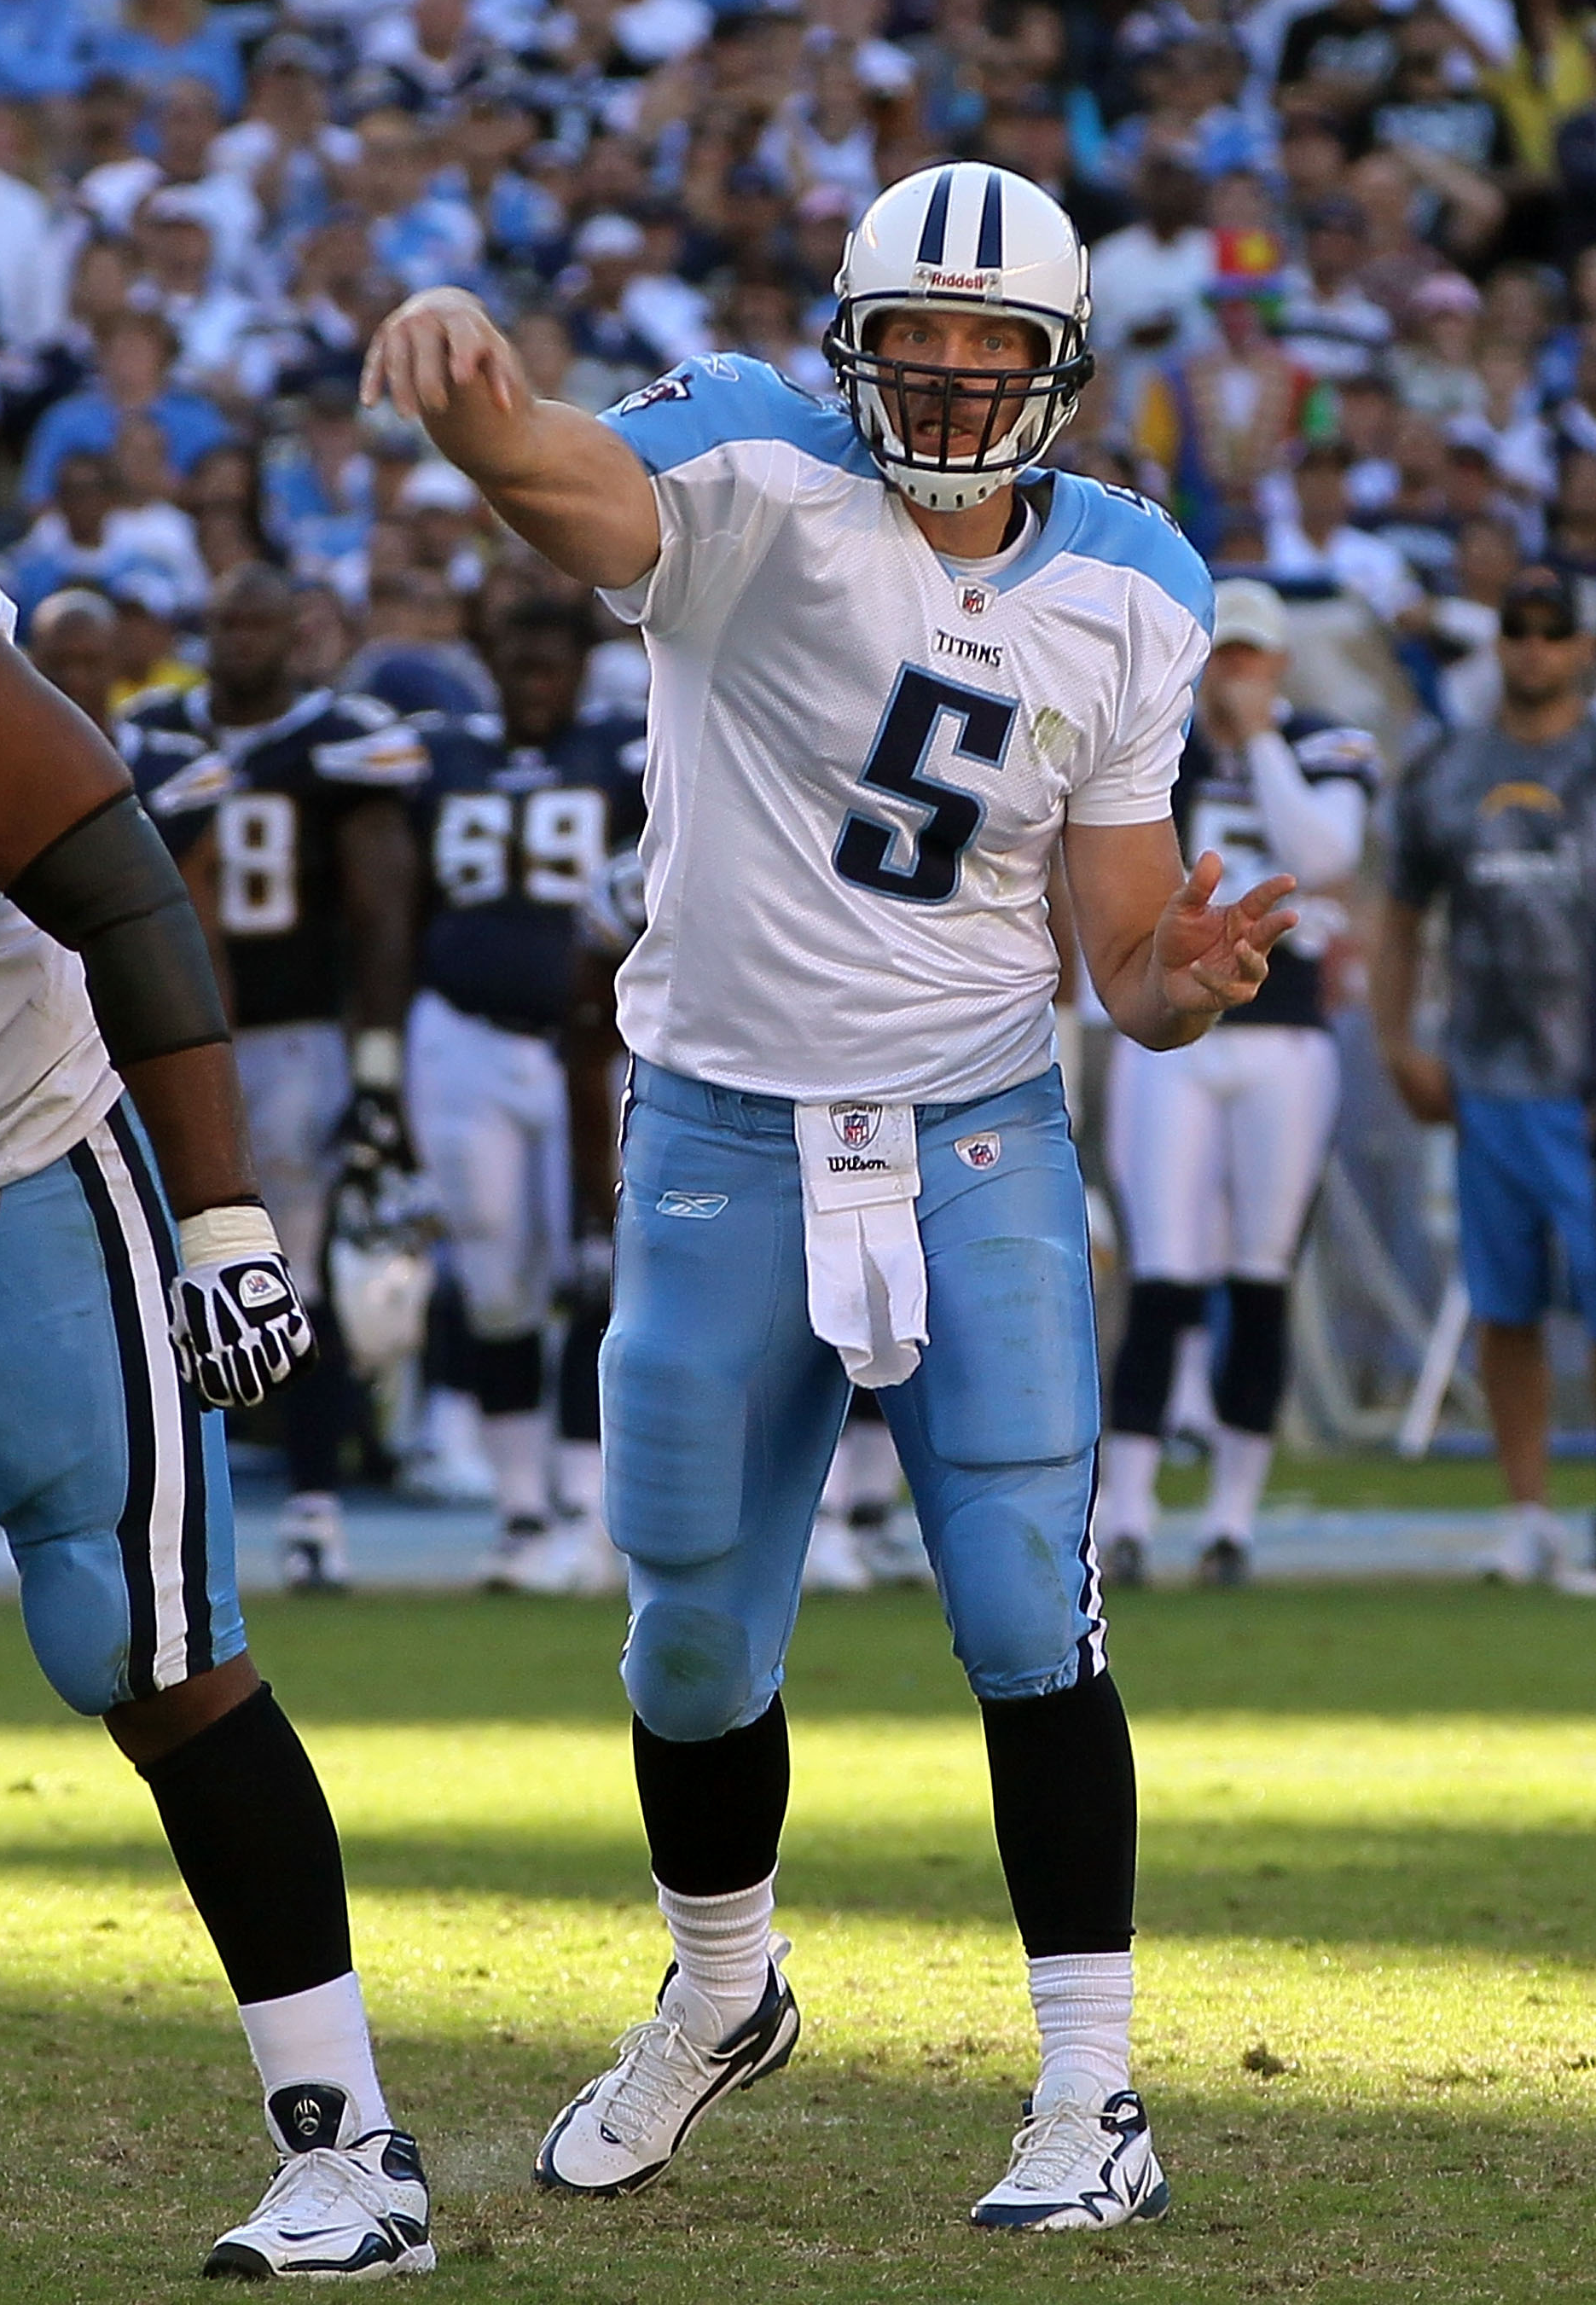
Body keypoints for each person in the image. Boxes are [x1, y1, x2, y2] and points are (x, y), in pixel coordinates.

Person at [361, 161, 1296, 2231]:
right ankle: (721, 1990)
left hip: (972, 1133)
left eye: (995, 347)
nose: (954, 383)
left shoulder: (1135, 579)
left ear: (1058, 366)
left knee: (1018, 1602)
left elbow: (1123, 952)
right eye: (921, 339)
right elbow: (576, 488)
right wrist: (470, 397)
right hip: (723, 1135)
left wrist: (1186, 986)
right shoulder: (758, 461)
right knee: (689, 1621)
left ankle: (1091, 2092)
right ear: (853, 339)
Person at [0, 566, 432, 2277]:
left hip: (12, 1168)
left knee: (139, 1639)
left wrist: (224, 1221)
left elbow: (124, 887)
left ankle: (349, 2151)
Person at [125, 566, 426, 1589]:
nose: (241, 633)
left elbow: (384, 915)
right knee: (152, 1274)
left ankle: (312, 1510)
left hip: (292, 1040)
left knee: (283, 1282)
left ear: (299, 631)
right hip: (151, 1033)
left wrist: (375, 1070)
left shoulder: (341, 737)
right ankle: (169, 1508)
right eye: (226, 615)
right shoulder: (153, 729)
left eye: (259, 615)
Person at [1098, 578, 1378, 1587]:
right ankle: (1124, 1515)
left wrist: (1258, 742)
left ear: (1281, 667)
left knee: (1259, 1277)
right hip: (1172, 1036)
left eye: (1253, 658)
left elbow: (1322, 856)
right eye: (1224, 656)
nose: (1236, 676)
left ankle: (1230, 1521)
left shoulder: (1321, 744)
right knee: (1163, 1275)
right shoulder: (1154, 743)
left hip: (1282, 1035)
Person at [407, 595, 645, 1594]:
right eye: (516, 662)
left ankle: (592, 1511)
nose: (532, 682)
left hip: (596, 1045)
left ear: (579, 671)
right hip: (463, 1035)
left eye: (549, 664)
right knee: (496, 1274)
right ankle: (518, 1514)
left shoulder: (627, 754)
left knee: (601, 1269)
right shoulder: (434, 755)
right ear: (488, 662)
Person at [1372, 566, 1596, 1589]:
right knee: (1506, 1305)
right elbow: (1401, 916)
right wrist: (1397, 1044)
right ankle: (1527, 1514)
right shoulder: (1448, 771)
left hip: (1585, 1082)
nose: (1535, 647)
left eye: (1554, 630)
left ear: (1582, 646)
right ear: (1498, 642)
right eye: (1519, 628)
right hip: (1490, 1075)